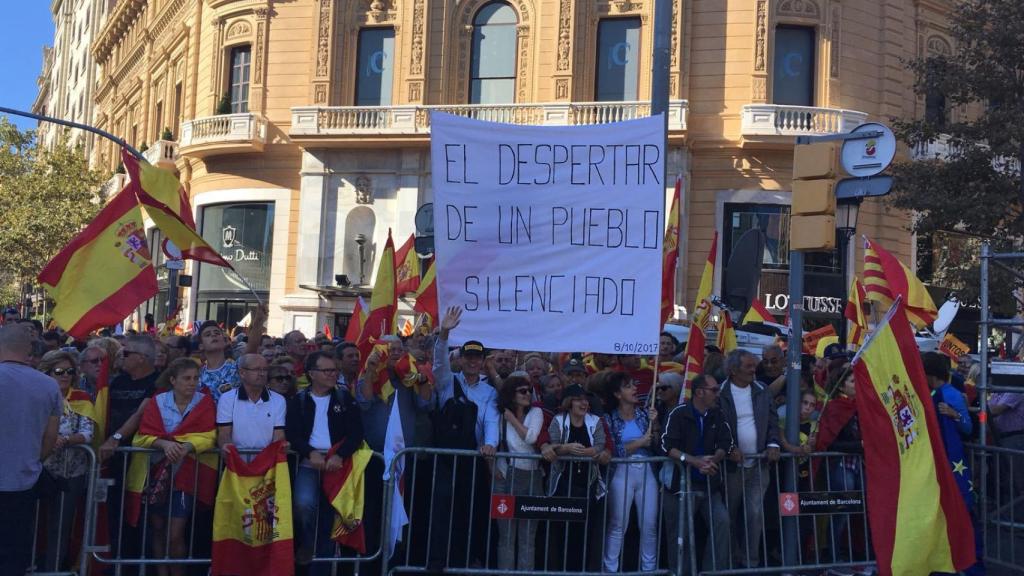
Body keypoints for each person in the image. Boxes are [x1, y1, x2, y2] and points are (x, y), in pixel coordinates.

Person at [427, 307, 500, 571]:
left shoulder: (489, 391)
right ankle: (437, 560)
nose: (472, 361)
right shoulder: (448, 382)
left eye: (476, 357)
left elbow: (491, 420)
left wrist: (491, 443)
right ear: (462, 359)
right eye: (468, 356)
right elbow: (438, 364)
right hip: (446, 459)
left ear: (482, 361)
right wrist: (444, 333)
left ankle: (464, 559)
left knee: (468, 512)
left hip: (473, 459)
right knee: (441, 510)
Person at [286, 351, 364, 575]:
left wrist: (340, 455)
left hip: (339, 465)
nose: (332, 374)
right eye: (327, 370)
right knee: (303, 505)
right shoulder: (298, 400)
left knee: (332, 515)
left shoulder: (344, 398)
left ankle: (323, 563)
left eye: (334, 370)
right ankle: (308, 543)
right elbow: (293, 433)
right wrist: (310, 453)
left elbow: (357, 432)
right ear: (312, 374)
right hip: (310, 463)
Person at [137, 358, 216, 576]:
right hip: (156, 472)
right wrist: (164, 443)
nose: (193, 383)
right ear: (172, 380)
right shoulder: (158, 401)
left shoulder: (205, 402)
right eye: (187, 378)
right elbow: (142, 435)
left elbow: (210, 436)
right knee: (158, 529)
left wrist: (189, 445)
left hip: (187, 473)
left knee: (175, 533)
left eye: (196, 378)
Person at [0, 324, 61, 575]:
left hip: (20, 477)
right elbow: (50, 436)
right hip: (23, 481)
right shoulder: (49, 386)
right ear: (28, 351)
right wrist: (33, 460)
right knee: (14, 555)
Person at [660, 374, 733, 574]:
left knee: (722, 522)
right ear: (700, 392)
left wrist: (712, 460)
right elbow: (666, 446)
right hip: (680, 486)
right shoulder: (678, 413)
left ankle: (713, 572)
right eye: (714, 390)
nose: (718, 394)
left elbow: (727, 443)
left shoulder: (717, 414)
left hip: (709, 485)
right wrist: (694, 461)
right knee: (680, 534)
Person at [718, 349, 781, 568]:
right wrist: (728, 448)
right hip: (732, 467)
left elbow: (773, 421)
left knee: (754, 513)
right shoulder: (720, 393)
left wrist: (773, 444)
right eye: (749, 366)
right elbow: (716, 428)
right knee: (730, 515)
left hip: (758, 464)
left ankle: (750, 562)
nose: (754, 370)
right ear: (734, 370)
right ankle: (732, 558)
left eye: (754, 365)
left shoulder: (762, 390)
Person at [540, 384, 610, 572]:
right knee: (562, 533)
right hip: (563, 486)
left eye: (586, 400)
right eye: (579, 399)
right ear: (569, 402)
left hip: (587, 485)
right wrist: (567, 448)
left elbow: (600, 446)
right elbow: (553, 447)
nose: (584, 403)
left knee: (585, 535)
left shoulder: (595, 421)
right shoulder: (558, 420)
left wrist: (586, 451)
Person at [38, 350, 94, 572]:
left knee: (60, 525)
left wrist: (66, 440)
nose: (65, 375)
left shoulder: (81, 398)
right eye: (59, 371)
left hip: (71, 472)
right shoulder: (38, 395)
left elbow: (88, 433)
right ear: (47, 372)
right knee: (32, 523)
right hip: (39, 469)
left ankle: (53, 569)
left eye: (69, 371)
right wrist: (50, 439)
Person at [603, 371, 660, 572]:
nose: (635, 389)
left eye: (634, 386)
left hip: (646, 470)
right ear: (617, 394)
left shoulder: (645, 415)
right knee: (618, 524)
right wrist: (638, 443)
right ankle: (610, 570)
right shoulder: (609, 418)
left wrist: (656, 425)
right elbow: (610, 449)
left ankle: (648, 569)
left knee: (649, 525)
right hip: (621, 471)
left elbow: (656, 445)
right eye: (628, 386)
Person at [813, 365, 863, 565]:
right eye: (852, 381)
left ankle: (854, 552)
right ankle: (834, 556)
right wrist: (858, 445)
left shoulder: (862, 406)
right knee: (841, 512)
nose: (857, 385)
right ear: (842, 386)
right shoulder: (835, 407)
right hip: (840, 466)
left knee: (858, 511)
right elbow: (829, 441)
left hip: (859, 465)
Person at [494, 374, 544, 571]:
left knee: (527, 538)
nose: (527, 394)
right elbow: (495, 443)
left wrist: (512, 418)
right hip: (505, 477)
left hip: (531, 478)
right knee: (505, 537)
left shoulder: (536, 413)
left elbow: (531, 438)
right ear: (511, 394)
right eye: (522, 391)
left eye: (529, 390)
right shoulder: (499, 415)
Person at [216, 354, 287, 455]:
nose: (262, 374)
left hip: (267, 464)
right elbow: (224, 434)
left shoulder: (279, 400)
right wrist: (227, 449)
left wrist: (280, 446)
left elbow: (279, 435)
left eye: (265, 369)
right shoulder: (227, 399)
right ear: (242, 373)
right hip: (236, 464)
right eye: (257, 369)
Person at [196, 321, 239, 401]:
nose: (213, 335)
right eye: (208, 335)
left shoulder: (238, 368)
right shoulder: (197, 377)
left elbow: (251, 350)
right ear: (201, 346)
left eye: (217, 333)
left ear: (224, 341)